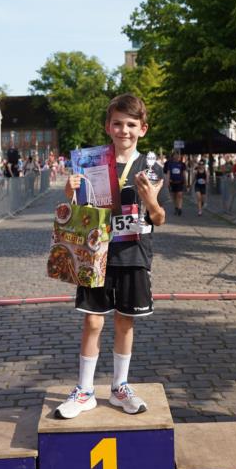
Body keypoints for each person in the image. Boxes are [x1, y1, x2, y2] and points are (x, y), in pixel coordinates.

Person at [56, 94, 165, 419]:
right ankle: (85, 390)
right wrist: (69, 194)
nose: (124, 130)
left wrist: (152, 202)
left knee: (124, 321)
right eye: (117, 123)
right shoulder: (90, 163)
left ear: (142, 129)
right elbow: (79, 213)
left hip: (134, 252)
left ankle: (120, 387)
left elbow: (159, 219)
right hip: (97, 251)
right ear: (108, 127)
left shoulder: (151, 168)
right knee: (92, 320)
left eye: (131, 124)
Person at [164, 151, 187, 216]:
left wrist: (185, 182)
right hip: (172, 182)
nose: (177, 156)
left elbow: (184, 173)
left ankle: (179, 208)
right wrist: (167, 182)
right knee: (174, 196)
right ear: (173, 156)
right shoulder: (170, 164)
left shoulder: (182, 164)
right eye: (175, 155)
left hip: (180, 182)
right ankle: (176, 207)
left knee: (179, 195)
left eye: (178, 155)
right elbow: (168, 173)